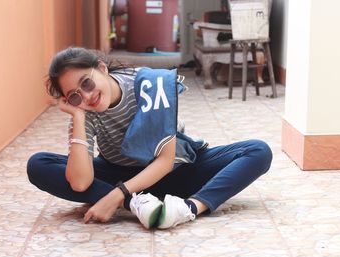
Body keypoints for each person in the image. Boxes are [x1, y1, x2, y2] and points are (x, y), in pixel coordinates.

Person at [27, 47, 272, 230]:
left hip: (174, 172)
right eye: (75, 96)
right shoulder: (85, 111)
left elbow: (165, 162)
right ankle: (140, 206)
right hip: (120, 173)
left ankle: (188, 209)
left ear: (101, 68)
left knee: (257, 151)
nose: (87, 96)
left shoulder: (148, 84)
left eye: (87, 83)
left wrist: (114, 196)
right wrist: (78, 116)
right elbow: (80, 183)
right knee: (38, 165)